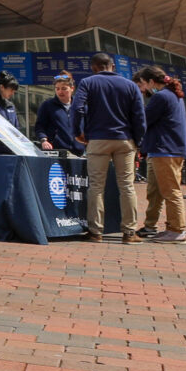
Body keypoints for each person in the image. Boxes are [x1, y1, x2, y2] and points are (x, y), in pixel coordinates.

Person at [72, 54, 145, 243]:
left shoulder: (88, 83)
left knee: (96, 186)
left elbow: (77, 108)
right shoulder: (130, 85)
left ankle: (96, 231)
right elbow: (139, 116)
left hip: (97, 139)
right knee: (127, 186)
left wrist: (78, 132)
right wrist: (138, 140)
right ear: (112, 66)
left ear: (94, 67)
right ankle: (129, 232)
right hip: (125, 140)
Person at [135, 65, 186, 242]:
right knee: (165, 191)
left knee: (171, 191)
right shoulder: (173, 94)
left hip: (165, 150)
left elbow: (144, 119)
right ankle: (171, 228)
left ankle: (177, 229)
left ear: (151, 81)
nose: (144, 87)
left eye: (144, 83)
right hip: (172, 149)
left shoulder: (161, 96)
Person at [34, 75, 82, 155]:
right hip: (57, 152)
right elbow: (40, 126)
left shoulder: (80, 106)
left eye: (64, 88)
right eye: (57, 89)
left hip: (79, 151)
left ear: (72, 89)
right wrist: (44, 140)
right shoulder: (47, 105)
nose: (60, 92)